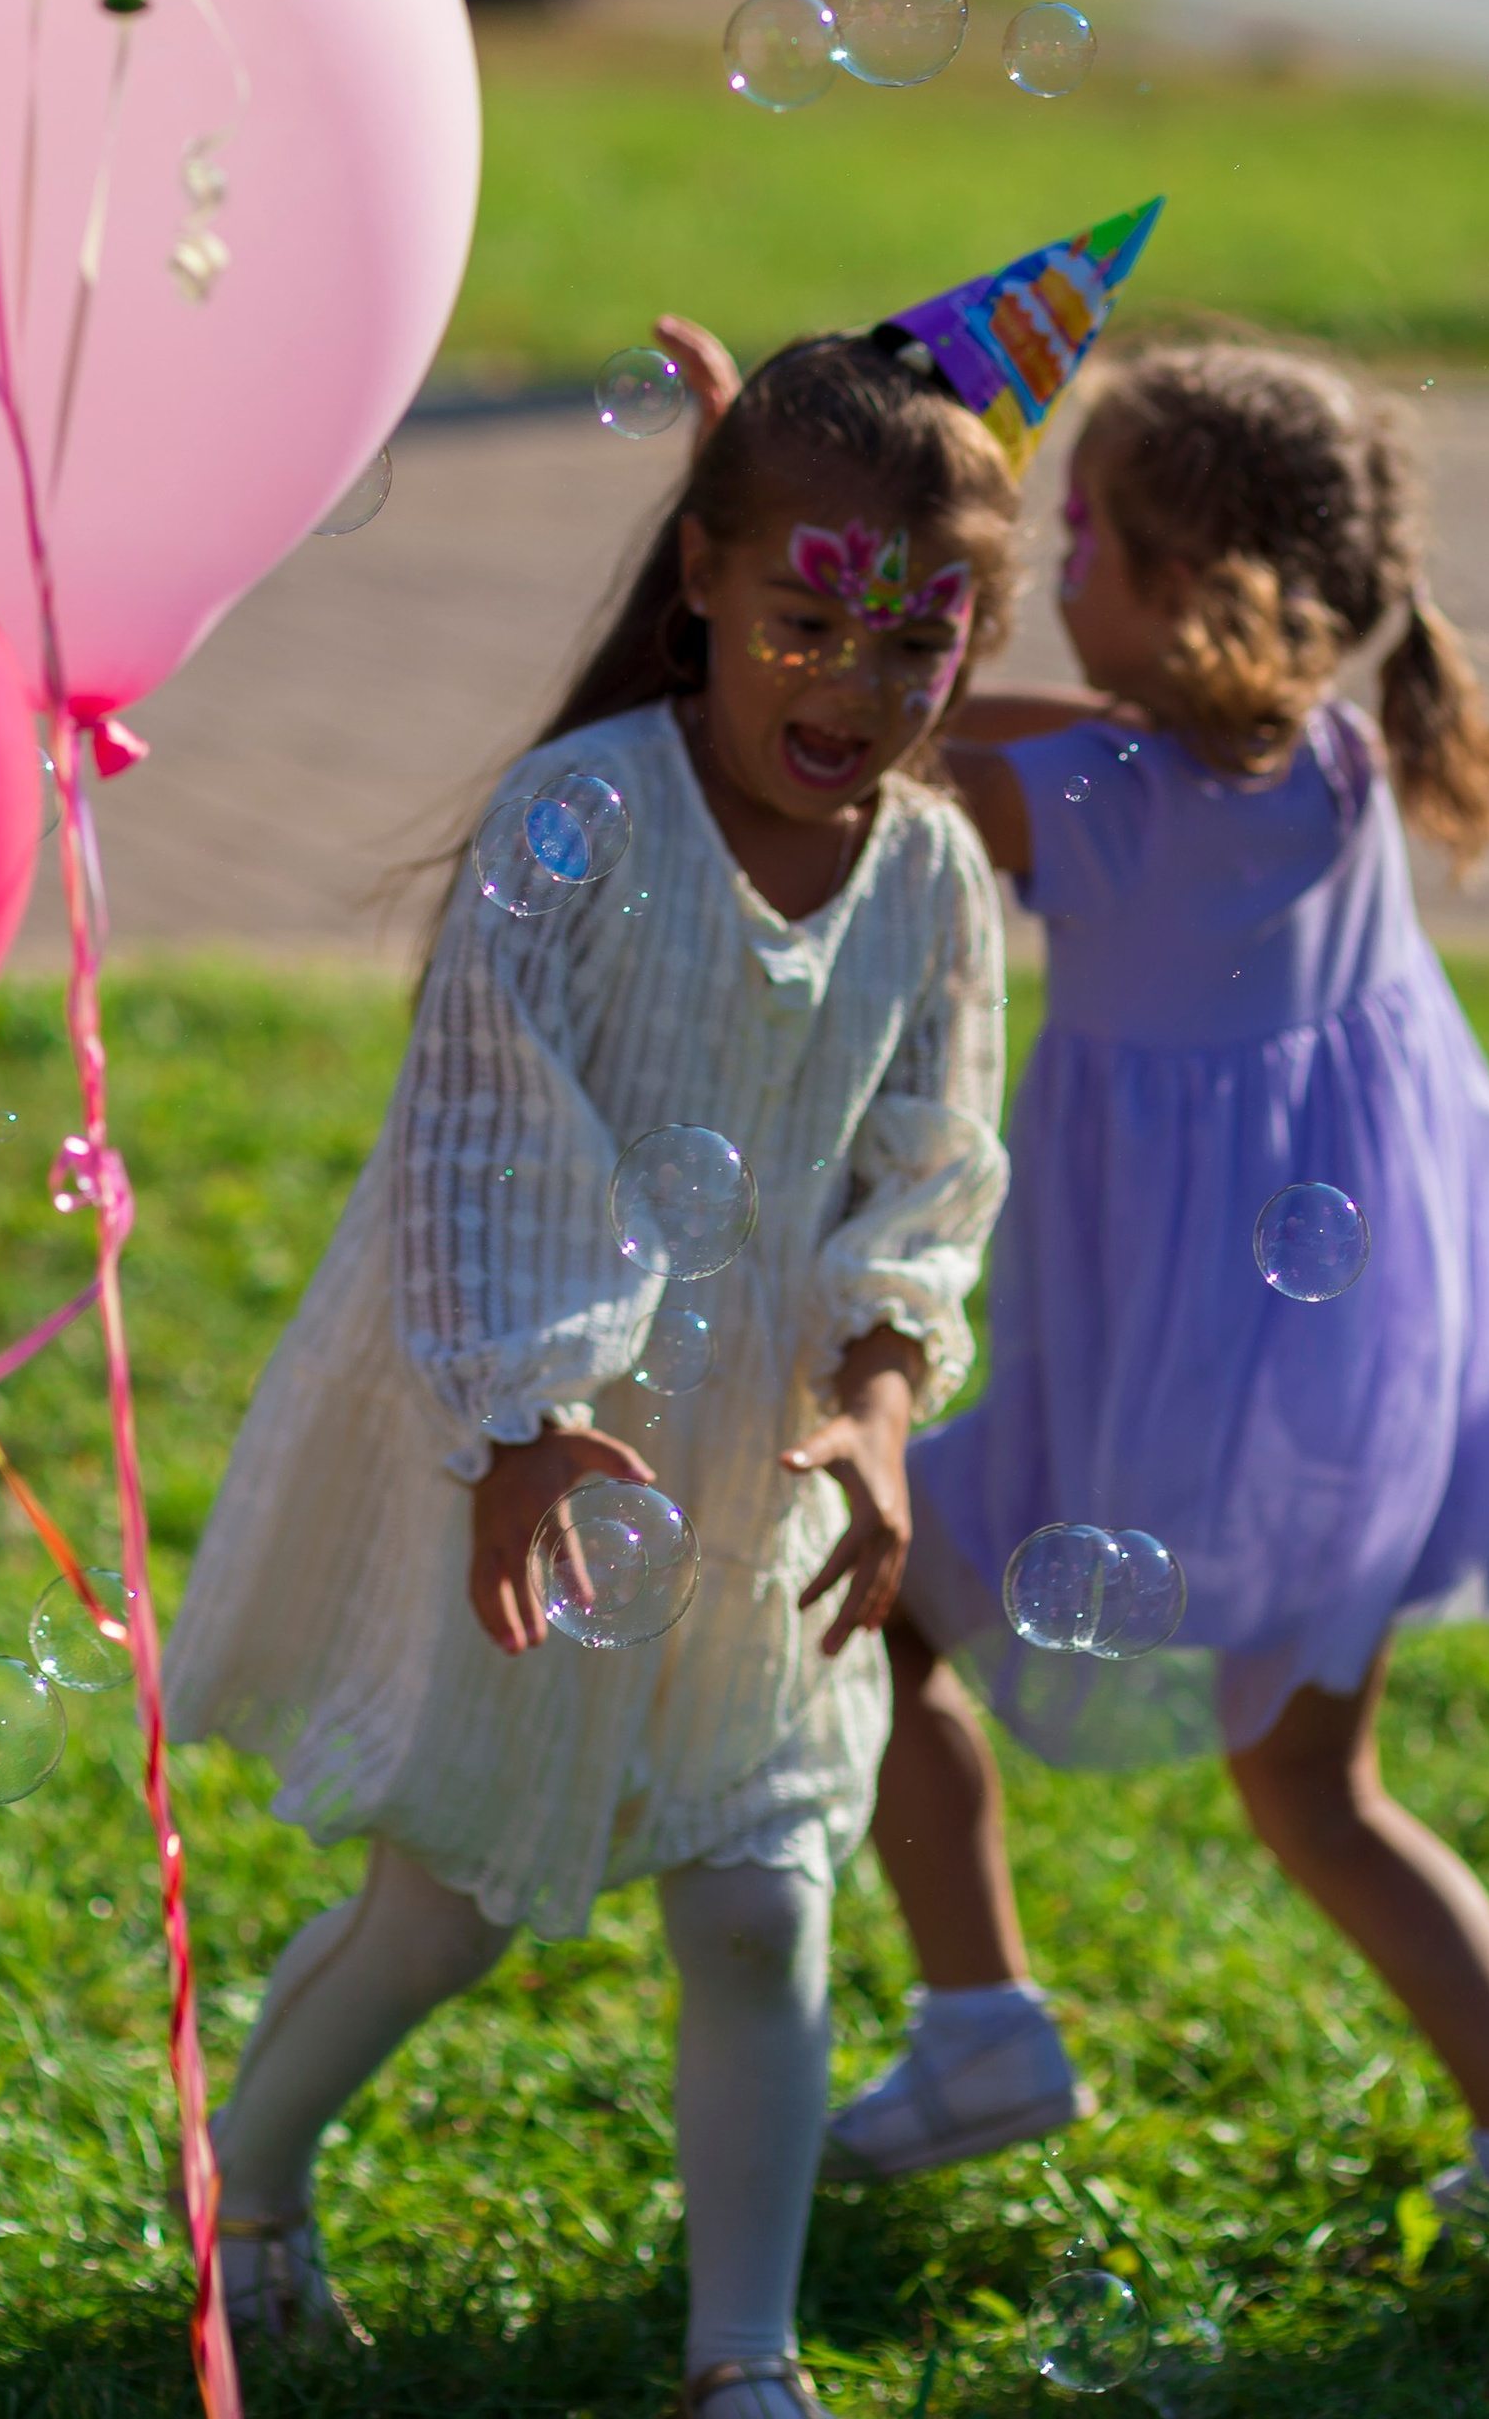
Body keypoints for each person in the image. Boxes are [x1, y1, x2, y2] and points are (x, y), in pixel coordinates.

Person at [163, 326, 1023, 2413]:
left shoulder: (926, 875)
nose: (855, 681)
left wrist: (877, 1407)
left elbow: (933, 1161)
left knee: (757, 1898)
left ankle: (743, 2360)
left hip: (753, 1478)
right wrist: (533, 1428)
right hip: (531, 1452)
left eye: (915, 639)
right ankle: (246, 2187)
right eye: (808, 618)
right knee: (445, 1906)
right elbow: (475, 1124)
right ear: (700, 582)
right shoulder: (578, 821)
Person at [818, 330, 1489, 2234]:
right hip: (1355, 1402)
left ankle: (982, 2017)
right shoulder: (1336, 757)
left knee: (873, 1608)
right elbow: (1014, 714)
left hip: (1165, 1411)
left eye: (1080, 533)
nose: (1049, 564)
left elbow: (873, 715)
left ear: (1186, 594)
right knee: (1323, 1797)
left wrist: (798, 513)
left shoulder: (1105, 795)